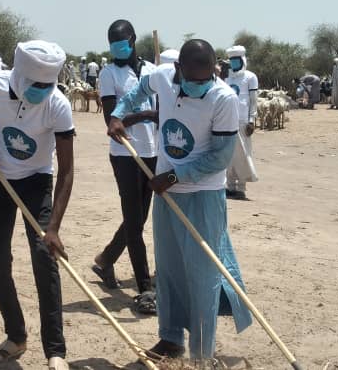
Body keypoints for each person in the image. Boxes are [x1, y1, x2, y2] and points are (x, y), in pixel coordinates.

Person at [106, 39, 252, 360]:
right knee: (169, 271)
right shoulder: (161, 77)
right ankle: (170, 340)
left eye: (206, 78)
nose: (201, 84)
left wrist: (173, 176)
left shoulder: (223, 98)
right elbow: (136, 92)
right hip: (167, 198)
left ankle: (202, 354)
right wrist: (118, 114)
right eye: (193, 79)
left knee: (203, 276)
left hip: (202, 197)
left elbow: (220, 157)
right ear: (178, 69)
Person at [0, 40, 74, 370]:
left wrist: (53, 227)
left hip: (36, 182)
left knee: (44, 259)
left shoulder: (58, 104)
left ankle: (55, 352)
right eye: (37, 85)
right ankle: (16, 337)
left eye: (48, 85)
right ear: (21, 78)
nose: (43, 90)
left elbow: (67, 170)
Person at [92, 19, 159, 314]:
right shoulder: (108, 74)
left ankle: (106, 259)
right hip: (125, 153)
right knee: (134, 220)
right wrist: (146, 114)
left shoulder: (153, 71)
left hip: (153, 150)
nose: (117, 48)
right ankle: (145, 287)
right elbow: (111, 118)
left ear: (132, 39)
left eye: (121, 42)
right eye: (112, 44)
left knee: (140, 217)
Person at [224, 45, 259, 199]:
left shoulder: (250, 77)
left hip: (243, 121)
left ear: (242, 60)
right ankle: (230, 186)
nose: (233, 63)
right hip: (227, 121)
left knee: (243, 154)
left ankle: (241, 187)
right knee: (229, 155)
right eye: (231, 60)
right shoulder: (227, 77)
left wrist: (252, 119)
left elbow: (253, 100)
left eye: (236, 60)